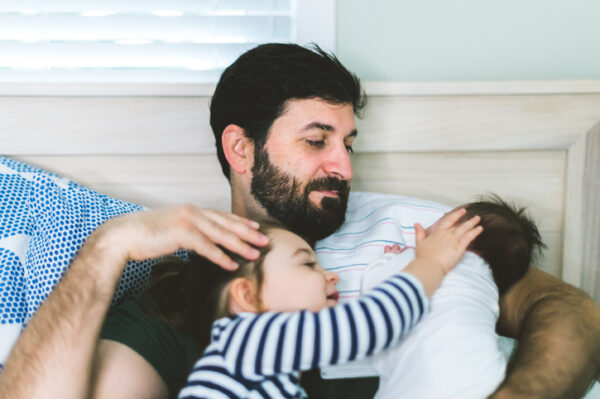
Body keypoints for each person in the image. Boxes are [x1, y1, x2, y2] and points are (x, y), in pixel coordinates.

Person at [0, 43, 599, 399]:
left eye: (348, 143)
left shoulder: (411, 226)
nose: (343, 166)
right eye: (316, 141)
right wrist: (109, 246)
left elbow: (571, 310)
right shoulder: (191, 293)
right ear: (241, 150)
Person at [171, 209, 481, 399]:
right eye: (307, 265)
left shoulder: (266, 369)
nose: (331, 275)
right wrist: (431, 264)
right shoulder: (247, 340)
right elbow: (373, 324)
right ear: (248, 297)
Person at [351, 197, 546, 398]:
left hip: (422, 386)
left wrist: (389, 259)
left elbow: (374, 288)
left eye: (442, 219)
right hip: (485, 379)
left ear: (454, 233)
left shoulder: (415, 261)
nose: (428, 226)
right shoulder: (488, 288)